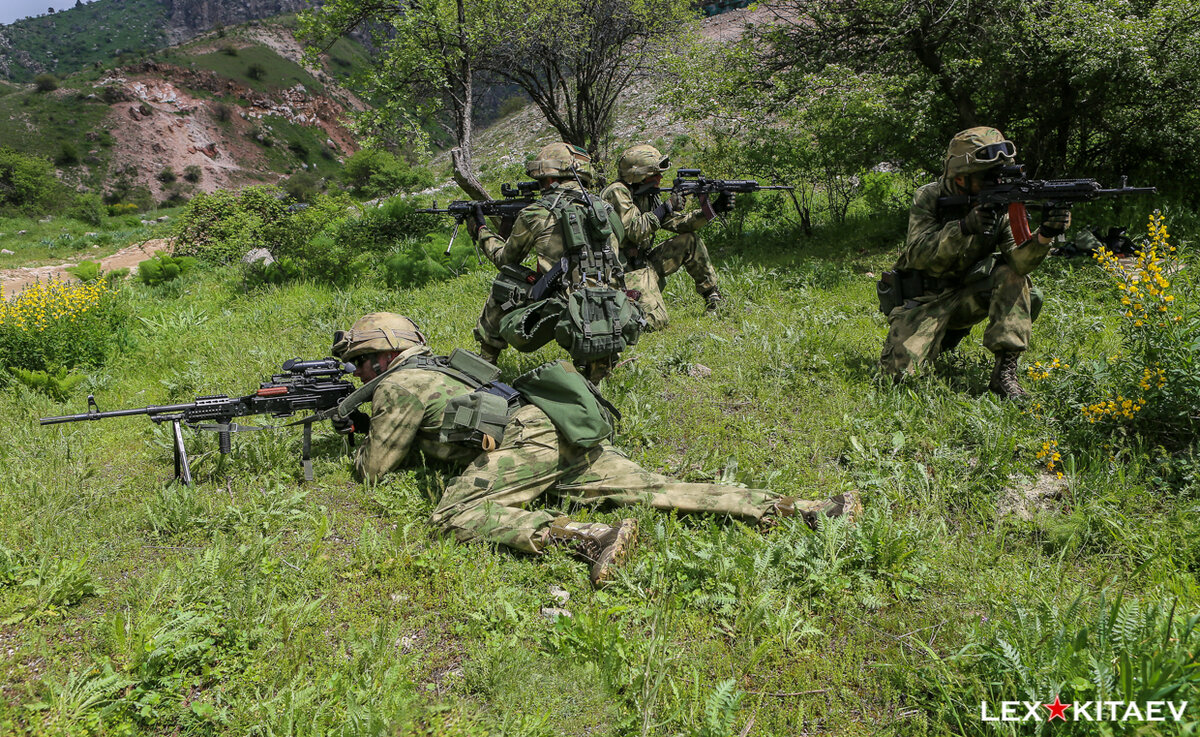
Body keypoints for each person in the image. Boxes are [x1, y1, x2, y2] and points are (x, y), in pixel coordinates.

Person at [331, 312, 863, 586]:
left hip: (524, 440)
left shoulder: (397, 386)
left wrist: (358, 442)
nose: (357, 373)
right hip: (558, 427)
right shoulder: (446, 365)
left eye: (359, 362)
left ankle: (588, 537)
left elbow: (377, 471)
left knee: (452, 515)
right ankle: (810, 509)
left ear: (383, 355)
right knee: (654, 487)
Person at [878, 126, 1070, 397]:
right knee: (898, 380)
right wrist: (964, 227)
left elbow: (1020, 263)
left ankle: (1005, 374)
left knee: (1015, 279)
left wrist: (1044, 236)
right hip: (925, 299)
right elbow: (917, 254)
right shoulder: (930, 197)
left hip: (968, 294)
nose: (998, 182)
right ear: (960, 179)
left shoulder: (1003, 204)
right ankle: (942, 337)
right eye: (988, 177)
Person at [470, 142, 641, 381]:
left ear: (550, 179)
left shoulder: (536, 213)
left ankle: (484, 364)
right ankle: (598, 367)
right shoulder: (605, 210)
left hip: (565, 309)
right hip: (614, 309)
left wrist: (482, 231)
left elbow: (505, 259)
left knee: (504, 285)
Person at [601, 144, 723, 329]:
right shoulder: (617, 193)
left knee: (689, 240)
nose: (660, 178)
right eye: (654, 174)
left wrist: (713, 209)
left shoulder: (648, 194)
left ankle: (713, 297)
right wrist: (664, 208)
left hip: (643, 263)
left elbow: (679, 224)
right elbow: (634, 232)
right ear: (638, 175)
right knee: (655, 322)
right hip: (622, 272)